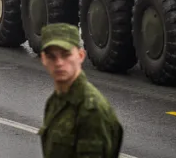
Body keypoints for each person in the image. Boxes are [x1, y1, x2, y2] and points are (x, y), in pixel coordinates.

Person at [38, 23, 123, 158]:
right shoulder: (55, 101)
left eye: (66, 55)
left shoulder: (91, 110)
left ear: (81, 56)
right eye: (51, 57)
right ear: (43, 59)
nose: (59, 63)